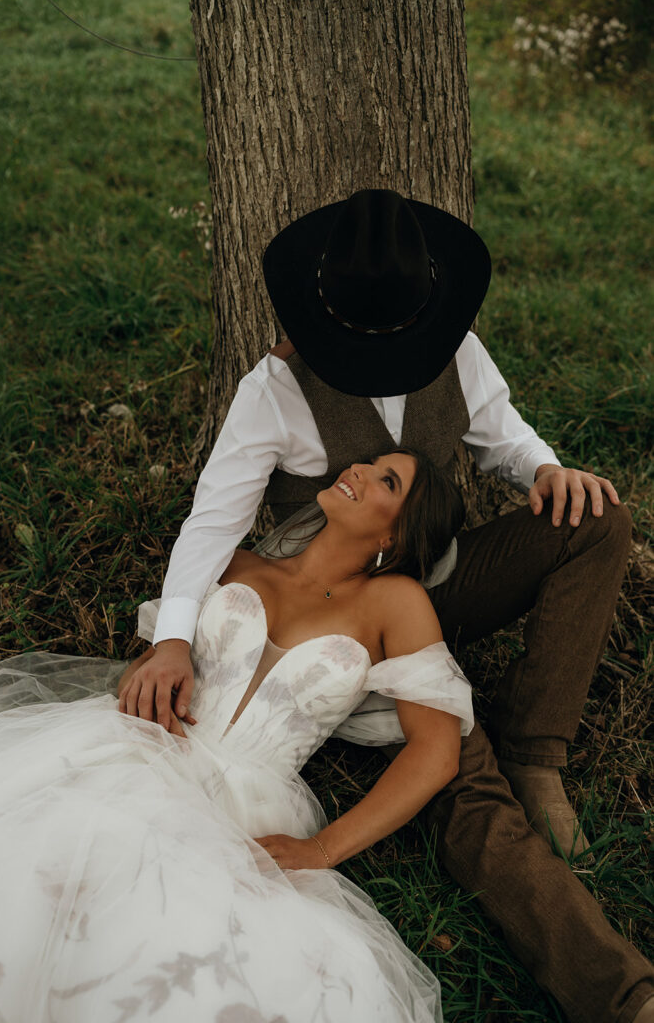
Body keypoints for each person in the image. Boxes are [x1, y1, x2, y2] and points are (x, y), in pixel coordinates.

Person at [122, 189, 654, 1023]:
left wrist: (545, 469)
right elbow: (213, 519)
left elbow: (503, 434)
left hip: (440, 578)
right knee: (464, 793)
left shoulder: (454, 348)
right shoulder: (273, 390)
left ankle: (537, 752)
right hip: (343, 620)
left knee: (599, 519)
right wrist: (175, 640)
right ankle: (620, 995)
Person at [0, 450, 475, 1022]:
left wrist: (321, 849)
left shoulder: (396, 602)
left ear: (403, 535)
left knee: (177, 934)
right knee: (39, 862)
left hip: (247, 802)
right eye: (371, 462)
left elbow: (436, 754)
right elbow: (158, 662)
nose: (357, 470)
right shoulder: (236, 563)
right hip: (146, 748)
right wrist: (149, 674)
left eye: (387, 480)